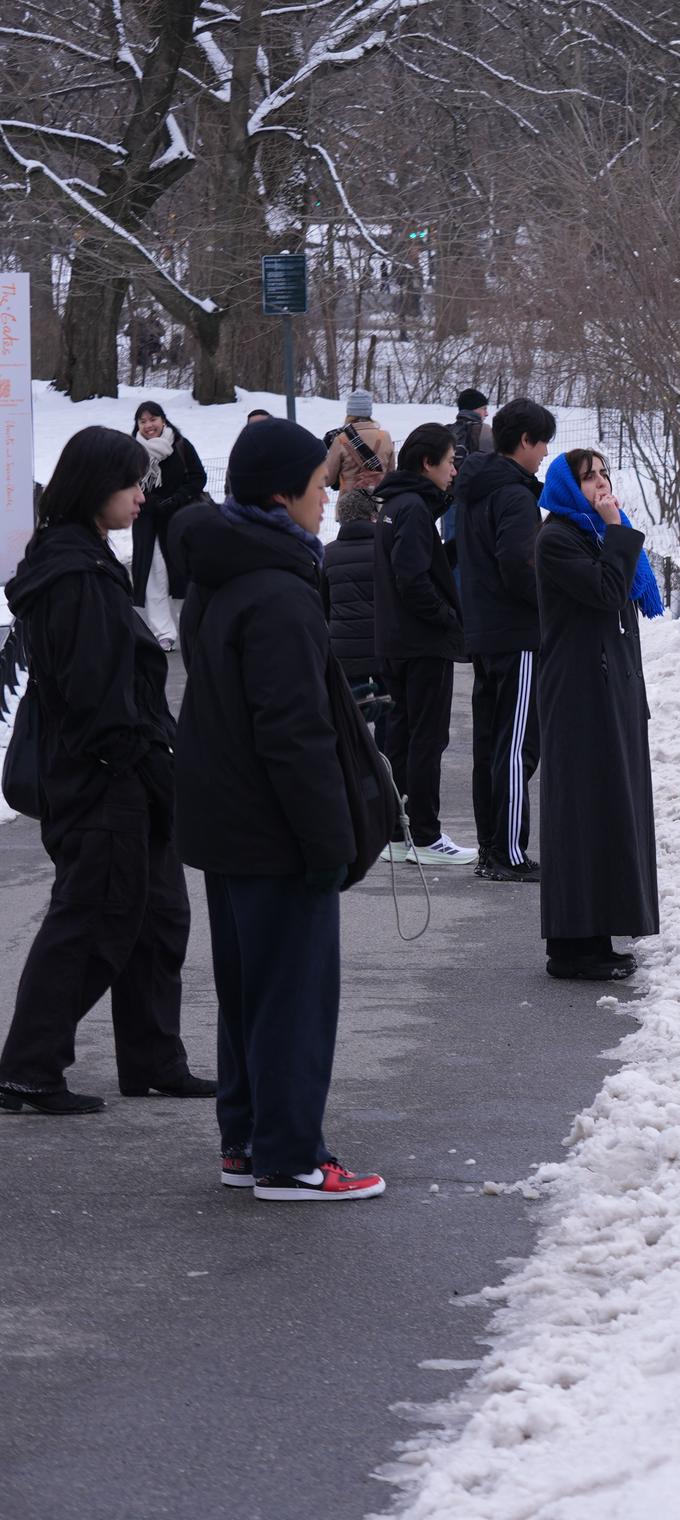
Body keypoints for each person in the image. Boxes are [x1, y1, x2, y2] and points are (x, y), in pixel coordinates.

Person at [173, 419, 384, 1200]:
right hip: (274, 830)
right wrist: (328, 840)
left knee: (248, 991)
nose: (327, 497)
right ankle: (291, 1156)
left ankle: (249, 1141)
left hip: (228, 823)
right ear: (279, 492)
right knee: (293, 996)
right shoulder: (279, 592)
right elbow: (293, 734)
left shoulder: (225, 571)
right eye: (318, 482)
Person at [0, 428, 209, 1114]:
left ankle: (153, 1058)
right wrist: (133, 760)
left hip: (125, 773)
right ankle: (29, 1068)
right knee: (93, 920)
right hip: (104, 779)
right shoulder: (74, 573)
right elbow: (96, 692)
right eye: (130, 483)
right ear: (95, 487)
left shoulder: (85, 560)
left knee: (156, 917)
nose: (143, 495)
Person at [535, 448, 661, 980]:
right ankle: (570, 947)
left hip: (607, 687)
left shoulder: (587, 533)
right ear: (567, 487)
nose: (601, 485)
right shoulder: (557, 539)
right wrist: (616, 528)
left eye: (604, 474)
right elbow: (608, 592)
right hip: (580, 692)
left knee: (608, 808)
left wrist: (611, 530)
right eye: (589, 478)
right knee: (581, 813)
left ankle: (598, 935)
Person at [456, 398, 553, 883]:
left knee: (491, 746)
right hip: (516, 633)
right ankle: (509, 853)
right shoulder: (515, 496)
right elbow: (518, 564)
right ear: (524, 442)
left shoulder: (474, 488)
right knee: (517, 747)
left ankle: (491, 848)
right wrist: (548, 604)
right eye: (542, 445)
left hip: (483, 631)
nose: (544, 456)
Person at [373, 423, 471, 864]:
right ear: (428, 463)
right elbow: (410, 577)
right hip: (421, 642)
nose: (453, 472)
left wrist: (448, 551)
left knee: (403, 735)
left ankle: (399, 832)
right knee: (426, 738)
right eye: (450, 462)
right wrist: (447, 618)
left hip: (397, 640)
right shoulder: (412, 508)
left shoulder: (397, 503)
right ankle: (426, 835)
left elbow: (415, 565)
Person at [128, 400, 207, 648]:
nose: (149, 425)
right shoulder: (131, 451)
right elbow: (124, 481)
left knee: (182, 571)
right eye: (143, 421)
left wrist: (178, 497)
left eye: (153, 419)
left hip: (179, 518)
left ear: (163, 420)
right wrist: (148, 501)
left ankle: (189, 625)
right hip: (147, 521)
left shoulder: (180, 445)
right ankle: (163, 632)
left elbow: (198, 477)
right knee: (153, 572)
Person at [324, 486, 387, 748]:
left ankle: (357, 766)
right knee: (388, 710)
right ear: (373, 514)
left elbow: (323, 604)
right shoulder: (385, 548)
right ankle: (388, 766)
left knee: (352, 711)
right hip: (384, 645)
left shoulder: (328, 553)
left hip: (345, 647)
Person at [444, 389, 494, 546]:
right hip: (476, 501)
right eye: (484, 408)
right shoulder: (485, 432)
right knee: (473, 548)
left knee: (452, 548)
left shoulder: (447, 431)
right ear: (474, 409)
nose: (486, 414)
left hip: (449, 498)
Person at [323, 390, 393, 495]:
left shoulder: (341, 439)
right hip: (379, 501)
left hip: (348, 503)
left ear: (349, 412)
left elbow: (327, 479)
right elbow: (391, 475)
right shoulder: (384, 437)